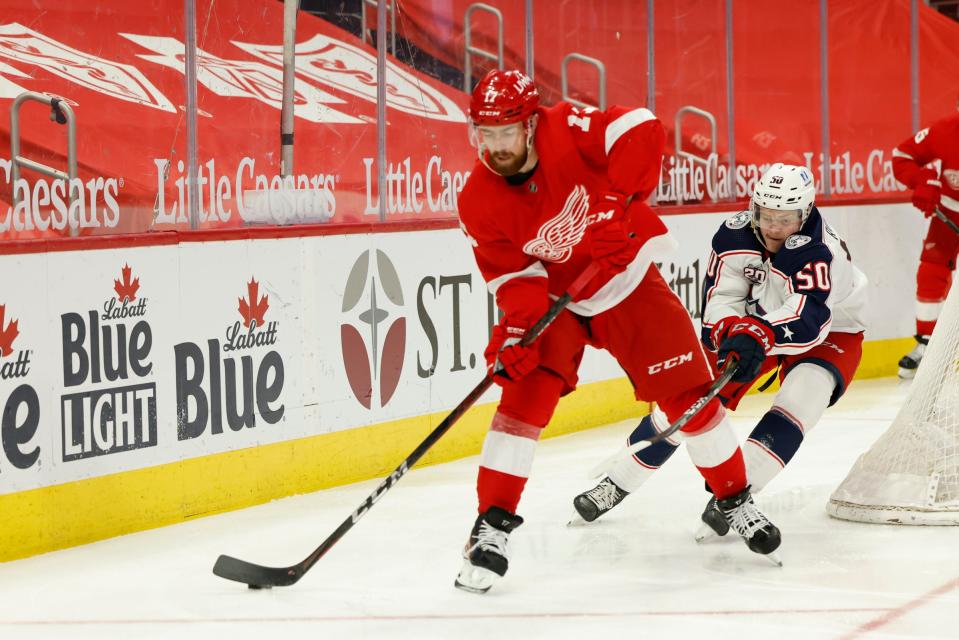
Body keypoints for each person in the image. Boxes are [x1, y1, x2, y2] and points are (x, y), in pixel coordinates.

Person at [453, 69, 780, 595]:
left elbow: (641, 127)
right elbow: (513, 275)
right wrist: (516, 331)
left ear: (531, 124)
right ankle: (491, 527)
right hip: (557, 303)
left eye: (506, 133)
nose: (495, 147)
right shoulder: (477, 198)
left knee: (689, 400)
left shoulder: (568, 127)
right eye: (484, 135)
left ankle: (735, 498)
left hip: (624, 280)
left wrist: (617, 203)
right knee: (522, 401)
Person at [572, 163, 868, 541]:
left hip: (834, 329)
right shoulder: (734, 235)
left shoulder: (819, 250)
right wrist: (734, 329)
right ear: (754, 207)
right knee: (693, 396)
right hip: (758, 323)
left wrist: (757, 332)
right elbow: (720, 301)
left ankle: (734, 498)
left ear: (806, 213)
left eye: (786, 219)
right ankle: (618, 479)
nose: (774, 228)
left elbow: (810, 319)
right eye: (767, 216)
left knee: (804, 397)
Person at [892, 111, 959, 378]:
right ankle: (926, 344)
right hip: (949, 215)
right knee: (931, 273)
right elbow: (902, 156)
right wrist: (922, 181)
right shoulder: (943, 131)